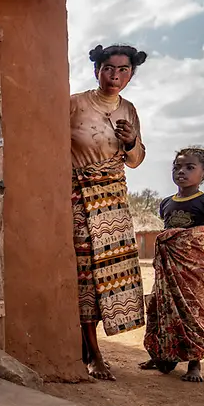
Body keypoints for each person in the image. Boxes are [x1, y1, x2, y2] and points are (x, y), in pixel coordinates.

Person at [70, 44, 148, 381]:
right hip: (80, 198)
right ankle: (93, 354)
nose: (115, 76)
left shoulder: (129, 110)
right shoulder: (74, 104)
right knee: (86, 274)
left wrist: (131, 142)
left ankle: (95, 343)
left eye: (123, 70)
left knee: (113, 276)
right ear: (96, 70)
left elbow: (136, 160)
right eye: (108, 68)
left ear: (131, 73)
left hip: (114, 203)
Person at [141, 148, 204, 382]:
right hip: (168, 272)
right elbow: (168, 233)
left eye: (190, 167)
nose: (181, 172)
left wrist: (187, 244)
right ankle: (159, 355)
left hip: (192, 271)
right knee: (161, 307)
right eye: (177, 167)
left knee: (192, 311)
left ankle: (194, 364)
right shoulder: (167, 203)